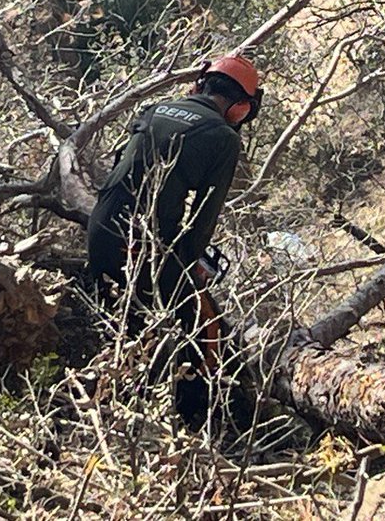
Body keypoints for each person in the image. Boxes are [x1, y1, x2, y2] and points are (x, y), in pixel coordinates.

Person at [87, 54, 263, 429]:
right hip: (138, 247)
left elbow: (125, 169)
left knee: (135, 319)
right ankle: (200, 421)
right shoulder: (223, 138)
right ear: (242, 107)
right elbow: (203, 216)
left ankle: (123, 396)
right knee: (205, 327)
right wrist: (193, 263)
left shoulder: (155, 110)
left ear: (199, 86)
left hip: (100, 229)